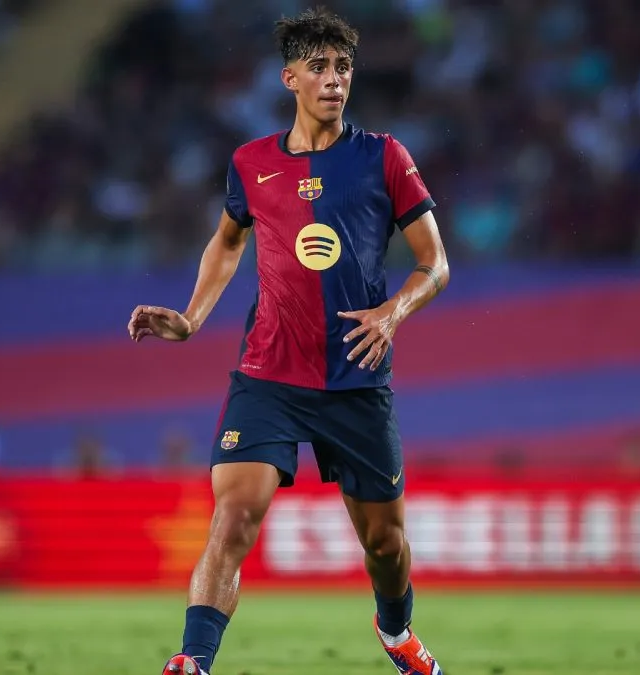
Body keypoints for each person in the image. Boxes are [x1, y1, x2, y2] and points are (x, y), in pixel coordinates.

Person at [128, 7, 449, 675]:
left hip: (356, 375)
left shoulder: (384, 157)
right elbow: (226, 241)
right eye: (321, 68)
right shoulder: (251, 164)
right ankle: (194, 658)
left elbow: (435, 264)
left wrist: (392, 312)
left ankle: (397, 633)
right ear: (291, 78)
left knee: (386, 543)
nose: (335, 80)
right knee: (234, 516)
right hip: (268, 373)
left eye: (344, 68)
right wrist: (191, 317)